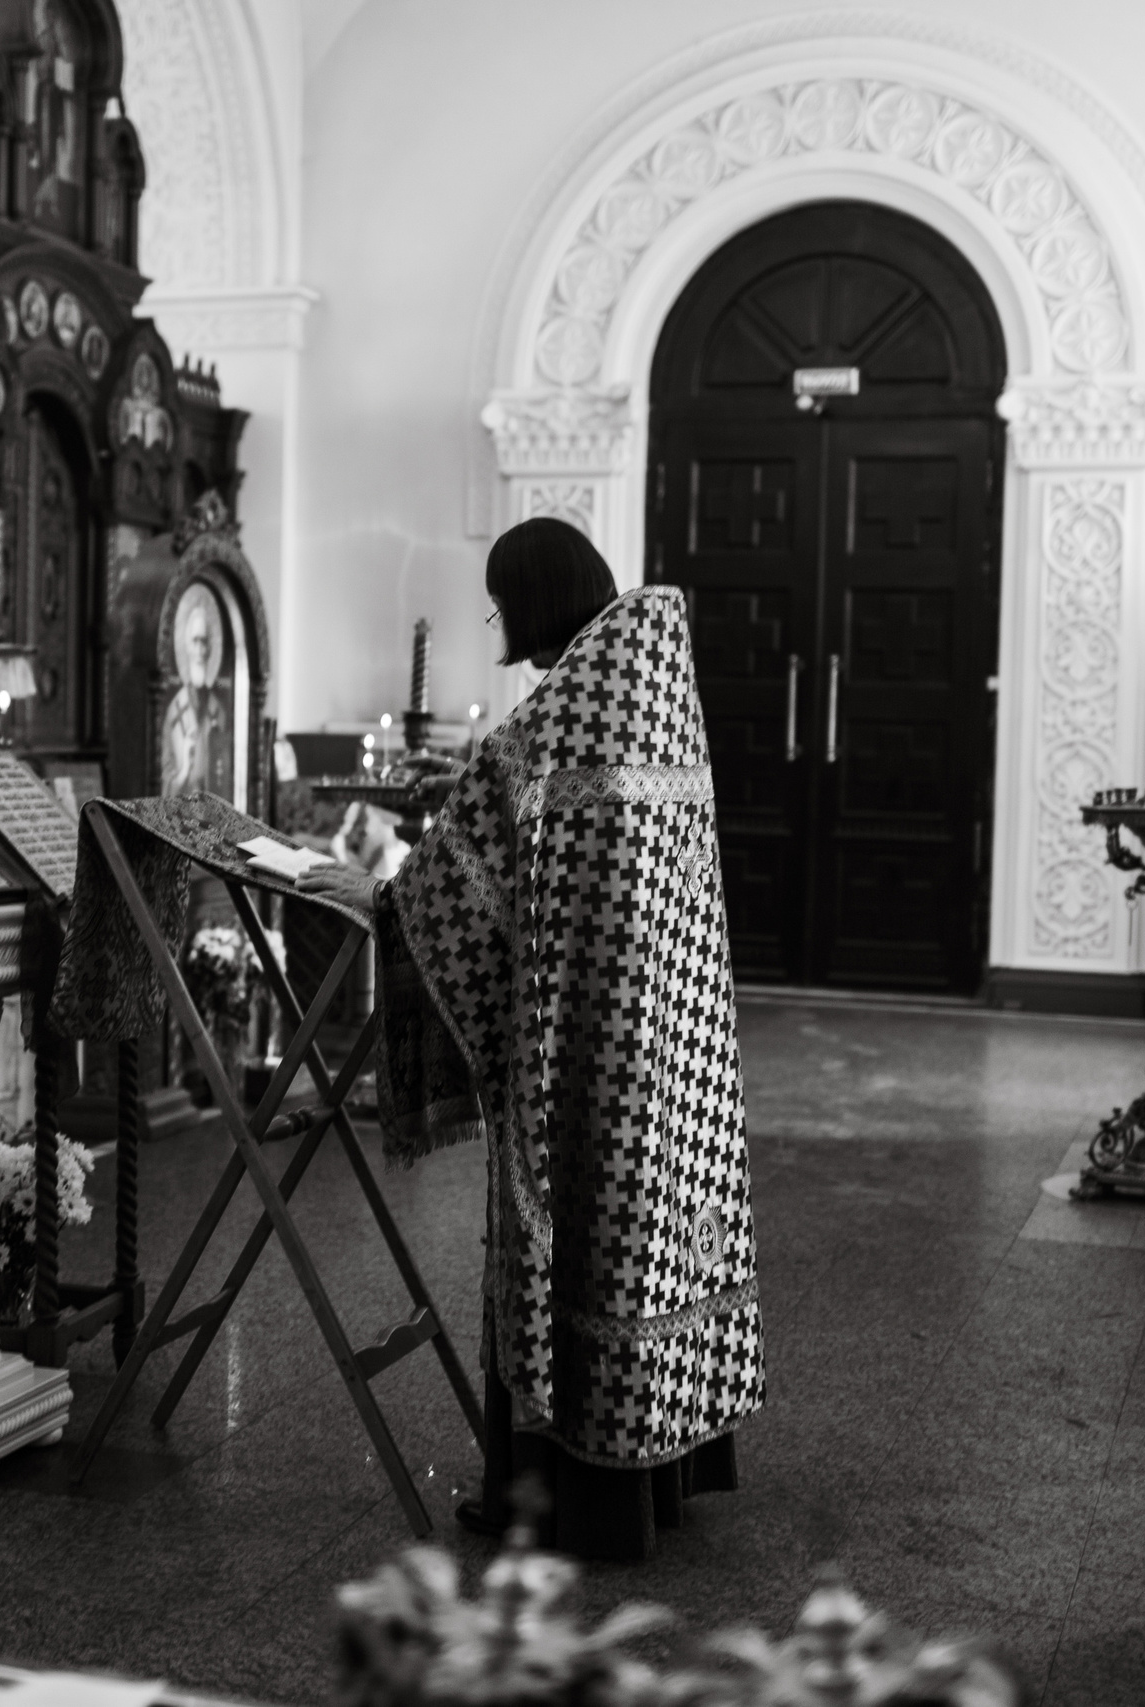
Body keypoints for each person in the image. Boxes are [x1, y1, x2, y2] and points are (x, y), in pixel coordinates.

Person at [300, 516, 764, 1562]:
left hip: (581, 1047)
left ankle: (562, 1499)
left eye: (503, 601)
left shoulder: (547, 727)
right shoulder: (654, 690)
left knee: (579, 1236)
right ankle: (660, 1474)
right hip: (670, 1034)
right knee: (653, 1241)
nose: (496, 621)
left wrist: (378, 897)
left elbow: (458, 894)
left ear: (533, 600)